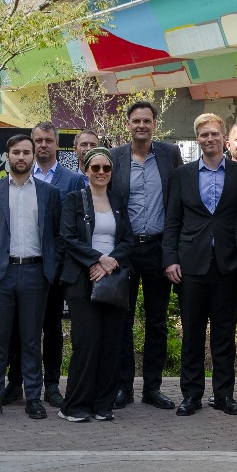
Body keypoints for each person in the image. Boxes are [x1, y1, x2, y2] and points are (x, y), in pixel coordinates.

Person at [165, 113, 237, 416]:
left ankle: (224, 395)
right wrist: (170, 260)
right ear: (197, 139)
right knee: (192, 333)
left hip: (227, 266)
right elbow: (172, 222)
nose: (209, 140)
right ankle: (191, 395)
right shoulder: (182, 175)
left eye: (215, 134)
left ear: (223, 138)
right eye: (204, 135)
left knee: (225, 335)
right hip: (191, 266)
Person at [0, 134, 63, 421]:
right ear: (8, 155)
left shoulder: (49, 193)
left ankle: (33, 398)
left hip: (36, 273)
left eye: (27, 151)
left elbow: (56, 236)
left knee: (30, 340)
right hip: (1, 274)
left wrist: (53, 268)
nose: (22, 157)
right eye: (16, 152)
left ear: (34, 155)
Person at [6, 121, 87, 409]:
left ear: (56, 143)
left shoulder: (72, 180)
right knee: (19, 328)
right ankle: (15, 383)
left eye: (48, 140)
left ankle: (51, 384)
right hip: (22, 266)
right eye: (37, 140)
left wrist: (64, 267)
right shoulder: (18, 175)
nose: (42, 145)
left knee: (51, 328)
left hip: (54, 269)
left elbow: (76, 226)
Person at [110, 100, 183, 411]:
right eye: (136, 120)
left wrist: (172, 253)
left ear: (155, 124)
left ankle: (152, 388)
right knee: (122, 321)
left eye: (147, 121)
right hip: (125, 250)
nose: (141, 125)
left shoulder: (169, 155)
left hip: (158, 249)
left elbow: (178, 203)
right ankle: (123, 388)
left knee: (156, 322)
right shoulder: (114, 157)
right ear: (128, 125)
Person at [57, 147, 134, 422]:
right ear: (86, 170)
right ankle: (75, 405)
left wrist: (110, 261)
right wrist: (97, 259)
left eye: (106, 168)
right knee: (87, 343)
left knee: (111, 343)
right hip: (82, 278)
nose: (101, 173)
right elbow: (68, 237)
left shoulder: (118, 200)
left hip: (112, 278)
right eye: (95, 168)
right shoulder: (74, 199)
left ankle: (103, 404)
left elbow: (128, 239)